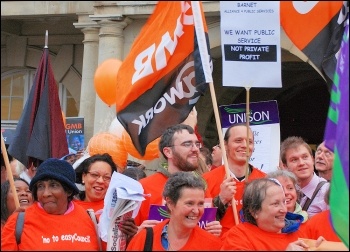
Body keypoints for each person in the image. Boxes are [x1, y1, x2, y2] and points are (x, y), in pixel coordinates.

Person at [135, 124, 222, 237]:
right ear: (168, 152)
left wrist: (213, 230)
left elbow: (205, 230)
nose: (195, 149)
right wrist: (138, 233)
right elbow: (124, 235)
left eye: (197, 144)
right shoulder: (143, 188)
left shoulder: (201, 187)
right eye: (187, 144)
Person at [1, 158, 100, 250]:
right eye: (40, 186)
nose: (45, 193)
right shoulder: (18, 221)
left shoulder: (88, 218)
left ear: (69, 190)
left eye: (53, 185)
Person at [221, 178, 324, 250]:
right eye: (276, 204)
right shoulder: (239, 237)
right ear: (254, 211)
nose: (284, 209)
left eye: (284, 202)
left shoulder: (299, 233)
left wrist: (320, 247)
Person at [127, 172, 221, 251]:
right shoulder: (145, 239)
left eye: (200, 204)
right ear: (170, 203)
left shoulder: (212, 245)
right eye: (189, 203)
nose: (196, 211)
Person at [203, 123, 266, 237]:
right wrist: (221, 199)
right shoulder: (206, 180)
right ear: (225, 145)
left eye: (249, 142)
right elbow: (201, 223)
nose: (244, 145)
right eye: (238, 140)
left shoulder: (265, 181)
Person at [280, 136, 329, 218]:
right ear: (285, 166)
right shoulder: (279, 193)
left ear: (312, 159)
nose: (301, 163)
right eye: (294, 160)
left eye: (305, 157)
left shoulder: (328, 193)